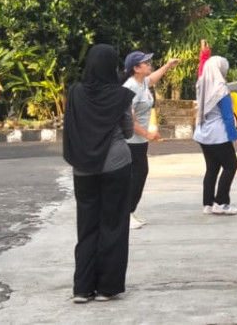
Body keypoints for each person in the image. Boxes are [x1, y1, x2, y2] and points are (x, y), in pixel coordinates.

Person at [63, 43, 136, 304]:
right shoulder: (120, 95)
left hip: (83, 166)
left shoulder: (75, 93)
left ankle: (82, 288)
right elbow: (128, 132)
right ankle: (107, 287)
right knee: (113, 224)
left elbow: (70, 124)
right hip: (115, 164)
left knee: (87, 225)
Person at [122, 50, 182, 229]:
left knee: (139, 175)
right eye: (145, 63)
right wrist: (148, 134)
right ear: (136, 68)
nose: (149, 65)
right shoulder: (130, 87)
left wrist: (168, 66)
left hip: (139, 140)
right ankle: (125, 214)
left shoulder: (142, 83)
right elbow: (127, 119)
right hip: (130, 141)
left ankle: (129, 211)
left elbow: (153, 78)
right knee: (136, 177)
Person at [194, 56, 237, 215]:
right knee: (231, 166)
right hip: (218, 134)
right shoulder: (221, 89)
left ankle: (208, 203)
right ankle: (221, 202)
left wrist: (204, 55)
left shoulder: (201, 84)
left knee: (212, 168)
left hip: (203, 132)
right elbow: (227, 116)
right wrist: (236, 137)